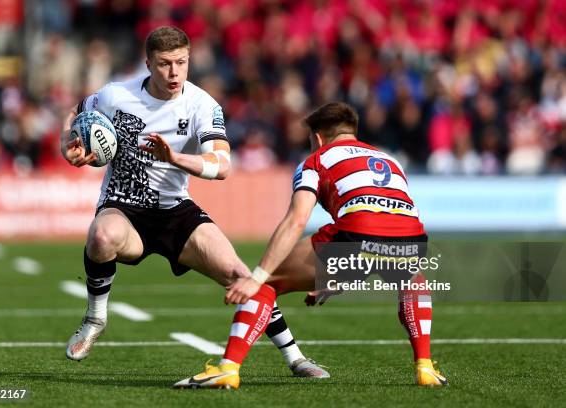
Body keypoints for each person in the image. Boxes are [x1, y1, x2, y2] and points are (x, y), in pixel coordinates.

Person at [60, 26, 328, 379]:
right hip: (123, 207)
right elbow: (76, 113)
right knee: (100, 236)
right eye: (164, 64)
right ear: (148, 64)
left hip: (175, 211)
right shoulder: (115, 95)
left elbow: (221, 166)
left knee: (240, 276)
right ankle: (95, 317)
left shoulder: (203, 105)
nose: (174, 72)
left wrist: (174, 158)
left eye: (181, 63)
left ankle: (295, 357)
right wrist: (69, 145)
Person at [176, 102, 448, 388]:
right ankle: (425, 367)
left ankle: (228, 369)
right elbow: (388, 229)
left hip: (356, 233)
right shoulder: (390, 160)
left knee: (267, 285)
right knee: (413, 281)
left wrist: (257, 276)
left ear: (317, 138)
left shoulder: (317, 160)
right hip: (412, 238)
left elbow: (297, 220)